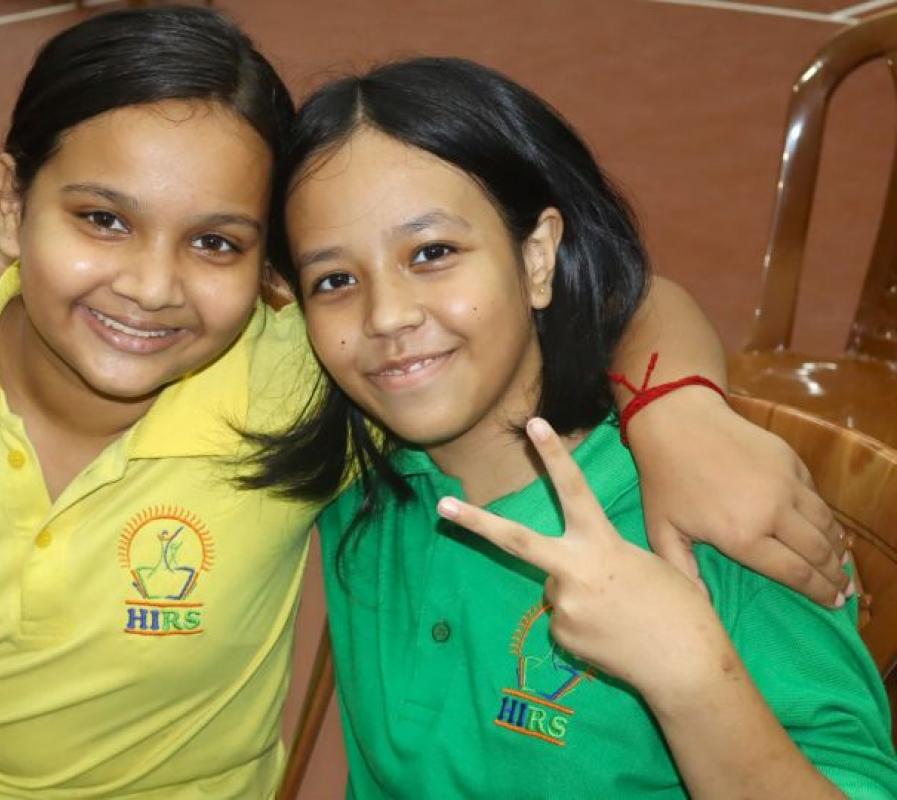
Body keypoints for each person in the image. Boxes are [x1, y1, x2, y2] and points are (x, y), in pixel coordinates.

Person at [0, 6, 849, 799]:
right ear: (12, 204)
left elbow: (617, 292)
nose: (150, 287)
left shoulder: (312, 378)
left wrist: (684, 409)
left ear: (260, 272)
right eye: (102, 219)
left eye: (214, 241)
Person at [248, 57, 897, 797]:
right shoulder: (344, 453)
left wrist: (688, 672)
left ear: (536, 257)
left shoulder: (703, 513)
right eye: (335, 280)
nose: (386, 316)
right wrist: (678, 397)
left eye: (433, 253)